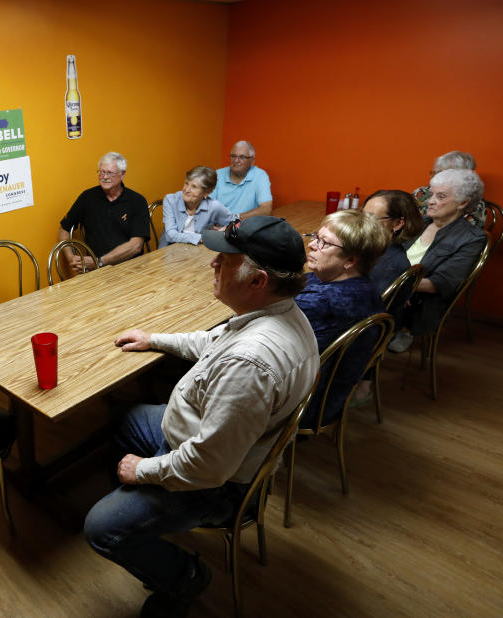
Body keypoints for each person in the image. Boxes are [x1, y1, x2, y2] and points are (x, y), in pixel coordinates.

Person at [84, 217, 318, 617]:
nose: (213, 263)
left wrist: (144, 471)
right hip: (201, 438)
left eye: (225, 259)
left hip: (213, 483)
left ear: (257, 280)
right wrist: (154, 339)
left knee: (99, 529)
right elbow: (213, 340)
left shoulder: (252, 363)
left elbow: (208, 465)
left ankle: (184, 577)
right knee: (130, 419)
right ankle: (139, 518)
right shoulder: (275, 313)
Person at [295, 211, 388, 423]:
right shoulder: (363, 285)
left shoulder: (321, 302)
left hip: (304, 405)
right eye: (315, 237)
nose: (311, 245)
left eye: (324, 243)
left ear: (350, 260)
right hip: (329, 395)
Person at [388, 169, 487, 353]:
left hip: (418, 304)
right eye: (432, 194)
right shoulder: (421, 222)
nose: (430, 201)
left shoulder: (471, 238)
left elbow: (441, 283)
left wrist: (400, 287)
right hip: (392, 291)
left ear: (463, 203)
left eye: (440, 197)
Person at [58, 152, 149, 273]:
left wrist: (99, 262)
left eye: (110, 173)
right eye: (101, 172)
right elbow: (64, 229)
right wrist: (72, 259)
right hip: (97, 272)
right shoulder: (87, 198)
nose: (104, 177)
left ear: (122, 174)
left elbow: (136, 246)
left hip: (132, 267)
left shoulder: (137, 201)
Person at [362, 189, 425, 296]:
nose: (362, 222)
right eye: (362, 215)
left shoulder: (391, 264)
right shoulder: (374, 249)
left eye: (371, 218)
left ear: (397, 223)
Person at [158, 166, 235, 248]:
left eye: (194, 187)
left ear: (206, 192)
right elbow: (171, 235)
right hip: (169, 251)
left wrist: (222, 231)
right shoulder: (170, 200)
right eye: (186, 183)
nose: (187, 190)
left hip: (199, 252)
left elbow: (235, 222)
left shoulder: (214, 206)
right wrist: (203, 238)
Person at [412, 150, 486, 227]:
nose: (434, 178)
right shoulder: (421, 192)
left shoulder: (473, 201)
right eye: (434, 173)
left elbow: (469, 232)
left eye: (441, 173)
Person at [208, 140, 273, 217]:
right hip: (218, 225)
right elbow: (207, 206)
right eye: (233, 156)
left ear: (252, 160)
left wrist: (235, 219)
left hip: (245, 224)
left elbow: (266, 209)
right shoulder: (217, 175)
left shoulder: (260, 175)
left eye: (242, 157)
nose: (236, 161)